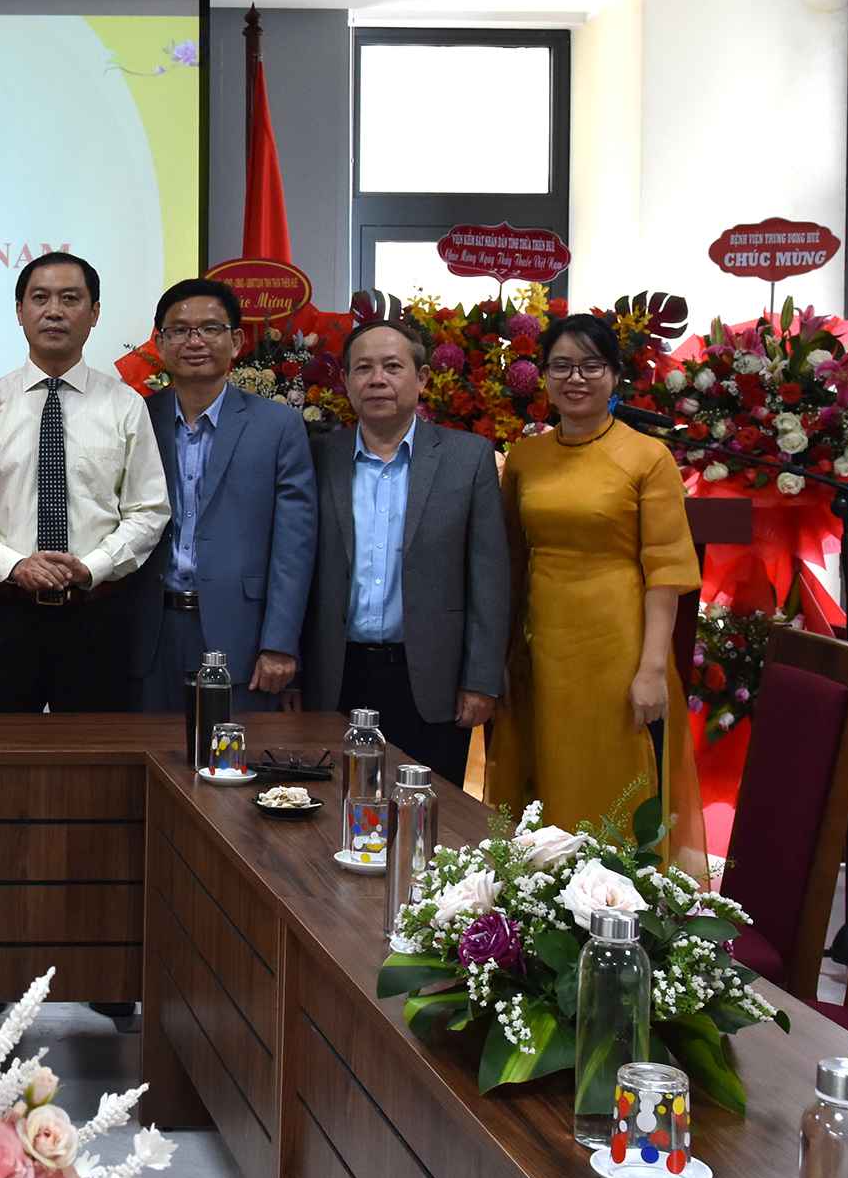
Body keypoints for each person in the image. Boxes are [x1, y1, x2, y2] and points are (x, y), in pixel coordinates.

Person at [486, 313, 706, 873]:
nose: (575, 378)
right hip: (543, 646)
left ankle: (616, 905)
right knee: (546, 780)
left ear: (614, 375)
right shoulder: (526, 458)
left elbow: (666, 571)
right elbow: (511, 561)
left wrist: (652, 669)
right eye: (561, 366)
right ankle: (540, 908)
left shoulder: (647, 456)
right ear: (543, 376)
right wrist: (502, 653)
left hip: (619, 647)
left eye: (591, 366)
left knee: (616, 780)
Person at [0, 253, 170, 713]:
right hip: (5, 616)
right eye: (40, 298)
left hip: (95, 616)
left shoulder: (125, 405)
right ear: (19, 311)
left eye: (70, 299)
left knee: (94, 753)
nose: (54, 311)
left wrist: (92, 566)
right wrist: (14, 564)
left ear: (94, 312)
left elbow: (148, 510)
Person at [301, 319, 507, 787]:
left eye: (393, 367)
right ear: (345, 380)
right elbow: (293, 569)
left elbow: (489, 577)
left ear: (423, 378)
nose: (378, 380)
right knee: (331, 807)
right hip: (335, 675)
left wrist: (480, 680)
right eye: (363, 368)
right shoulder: (317, 455)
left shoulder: (467, 457)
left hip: (431, 681)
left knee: (426, 813)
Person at [130, 278, 315, 715]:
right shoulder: (136, 419)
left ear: (235, 342)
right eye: (179, 330)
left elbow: (295, 545)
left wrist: (280, 642)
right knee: (148, 752)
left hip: (242, 634)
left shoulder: (278, 426)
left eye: (211, 329)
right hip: (148, 629)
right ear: (160, 343)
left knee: (232, 754)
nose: (195, 341)